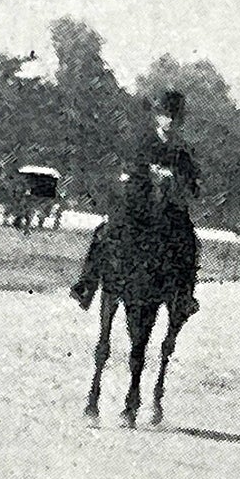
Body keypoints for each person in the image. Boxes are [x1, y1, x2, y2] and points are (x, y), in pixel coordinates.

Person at [70, 89, 202, 314]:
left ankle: (185, 296)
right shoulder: (143, 140)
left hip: (169, 207)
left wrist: (174, 177)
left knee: (191, 242)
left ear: (178, 120)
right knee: (104, 232)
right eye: (163, 115)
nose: (167, 120)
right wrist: (146, 171)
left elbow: (193, 183)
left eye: (172, 116)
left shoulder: (183, 149)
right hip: (139, 201)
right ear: (157, 116)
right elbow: (130, 165)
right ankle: (86, 284)